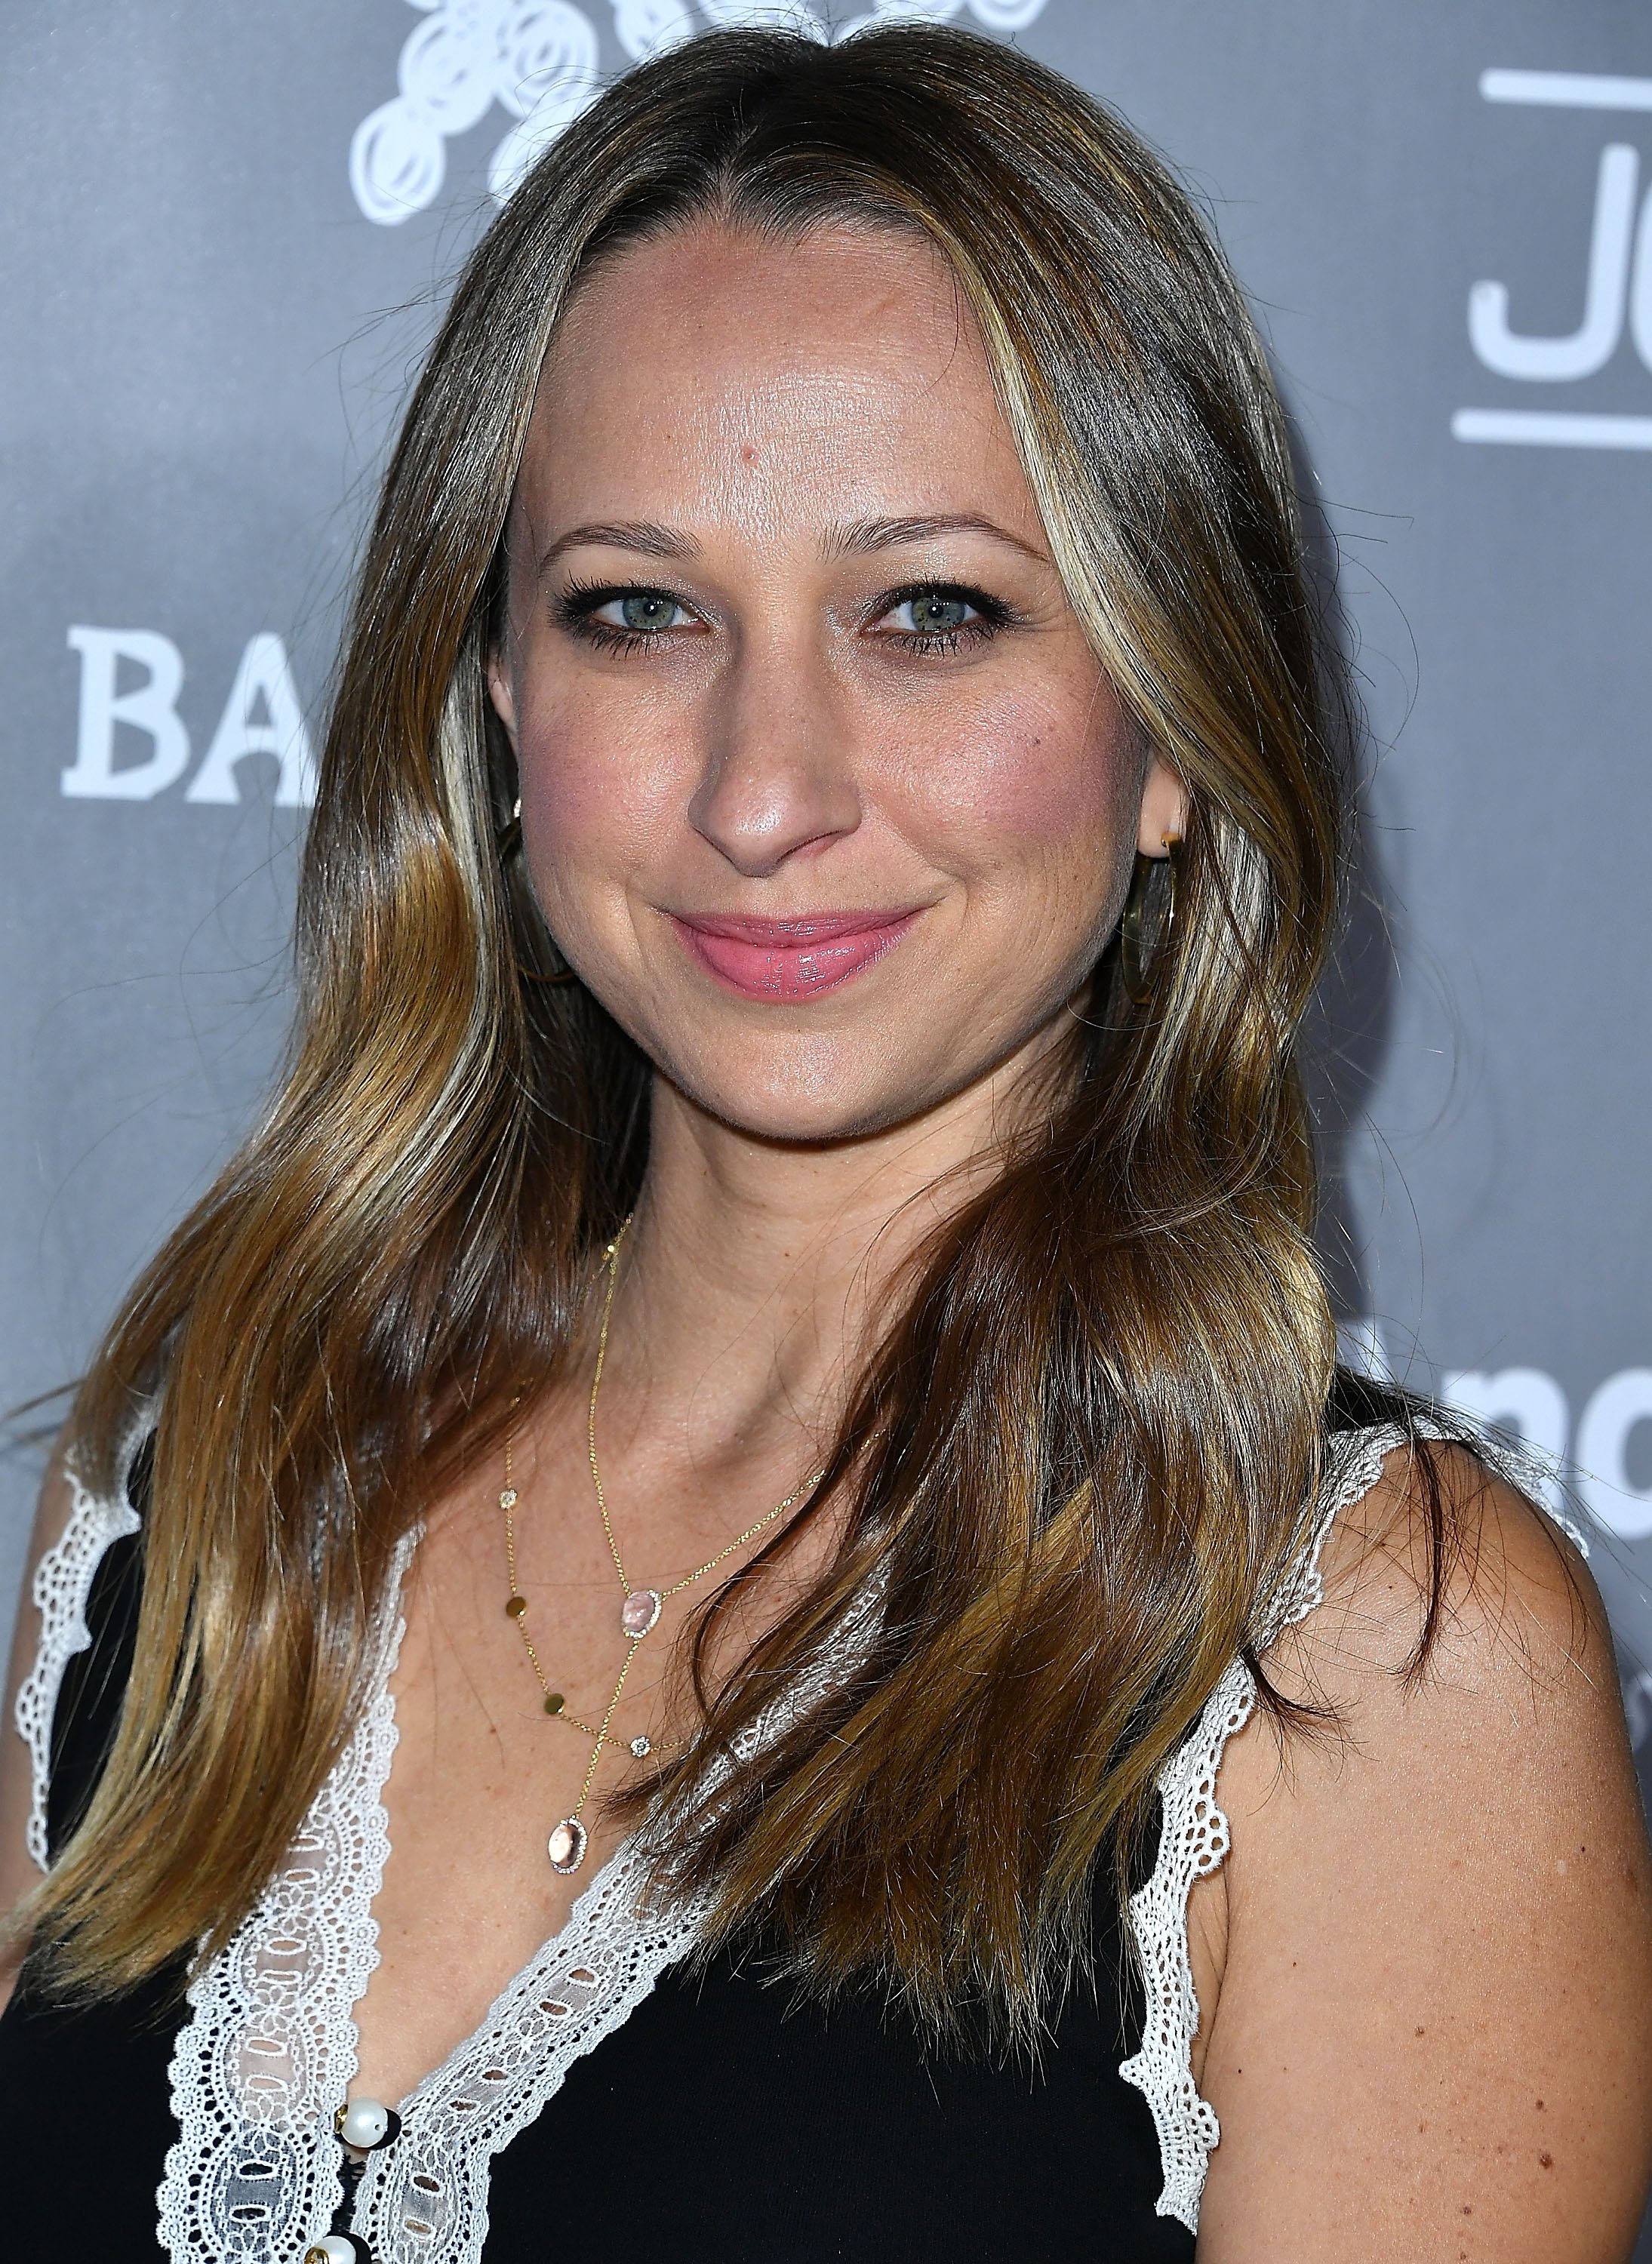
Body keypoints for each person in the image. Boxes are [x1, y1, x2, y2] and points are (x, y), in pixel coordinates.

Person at [2, 22, 1650, 2262]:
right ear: (499, 710)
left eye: (932, 613)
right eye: (638, 612)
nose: (763, 792)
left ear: (1174, 729)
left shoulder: (1370, 1654)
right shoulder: (214, 1483)